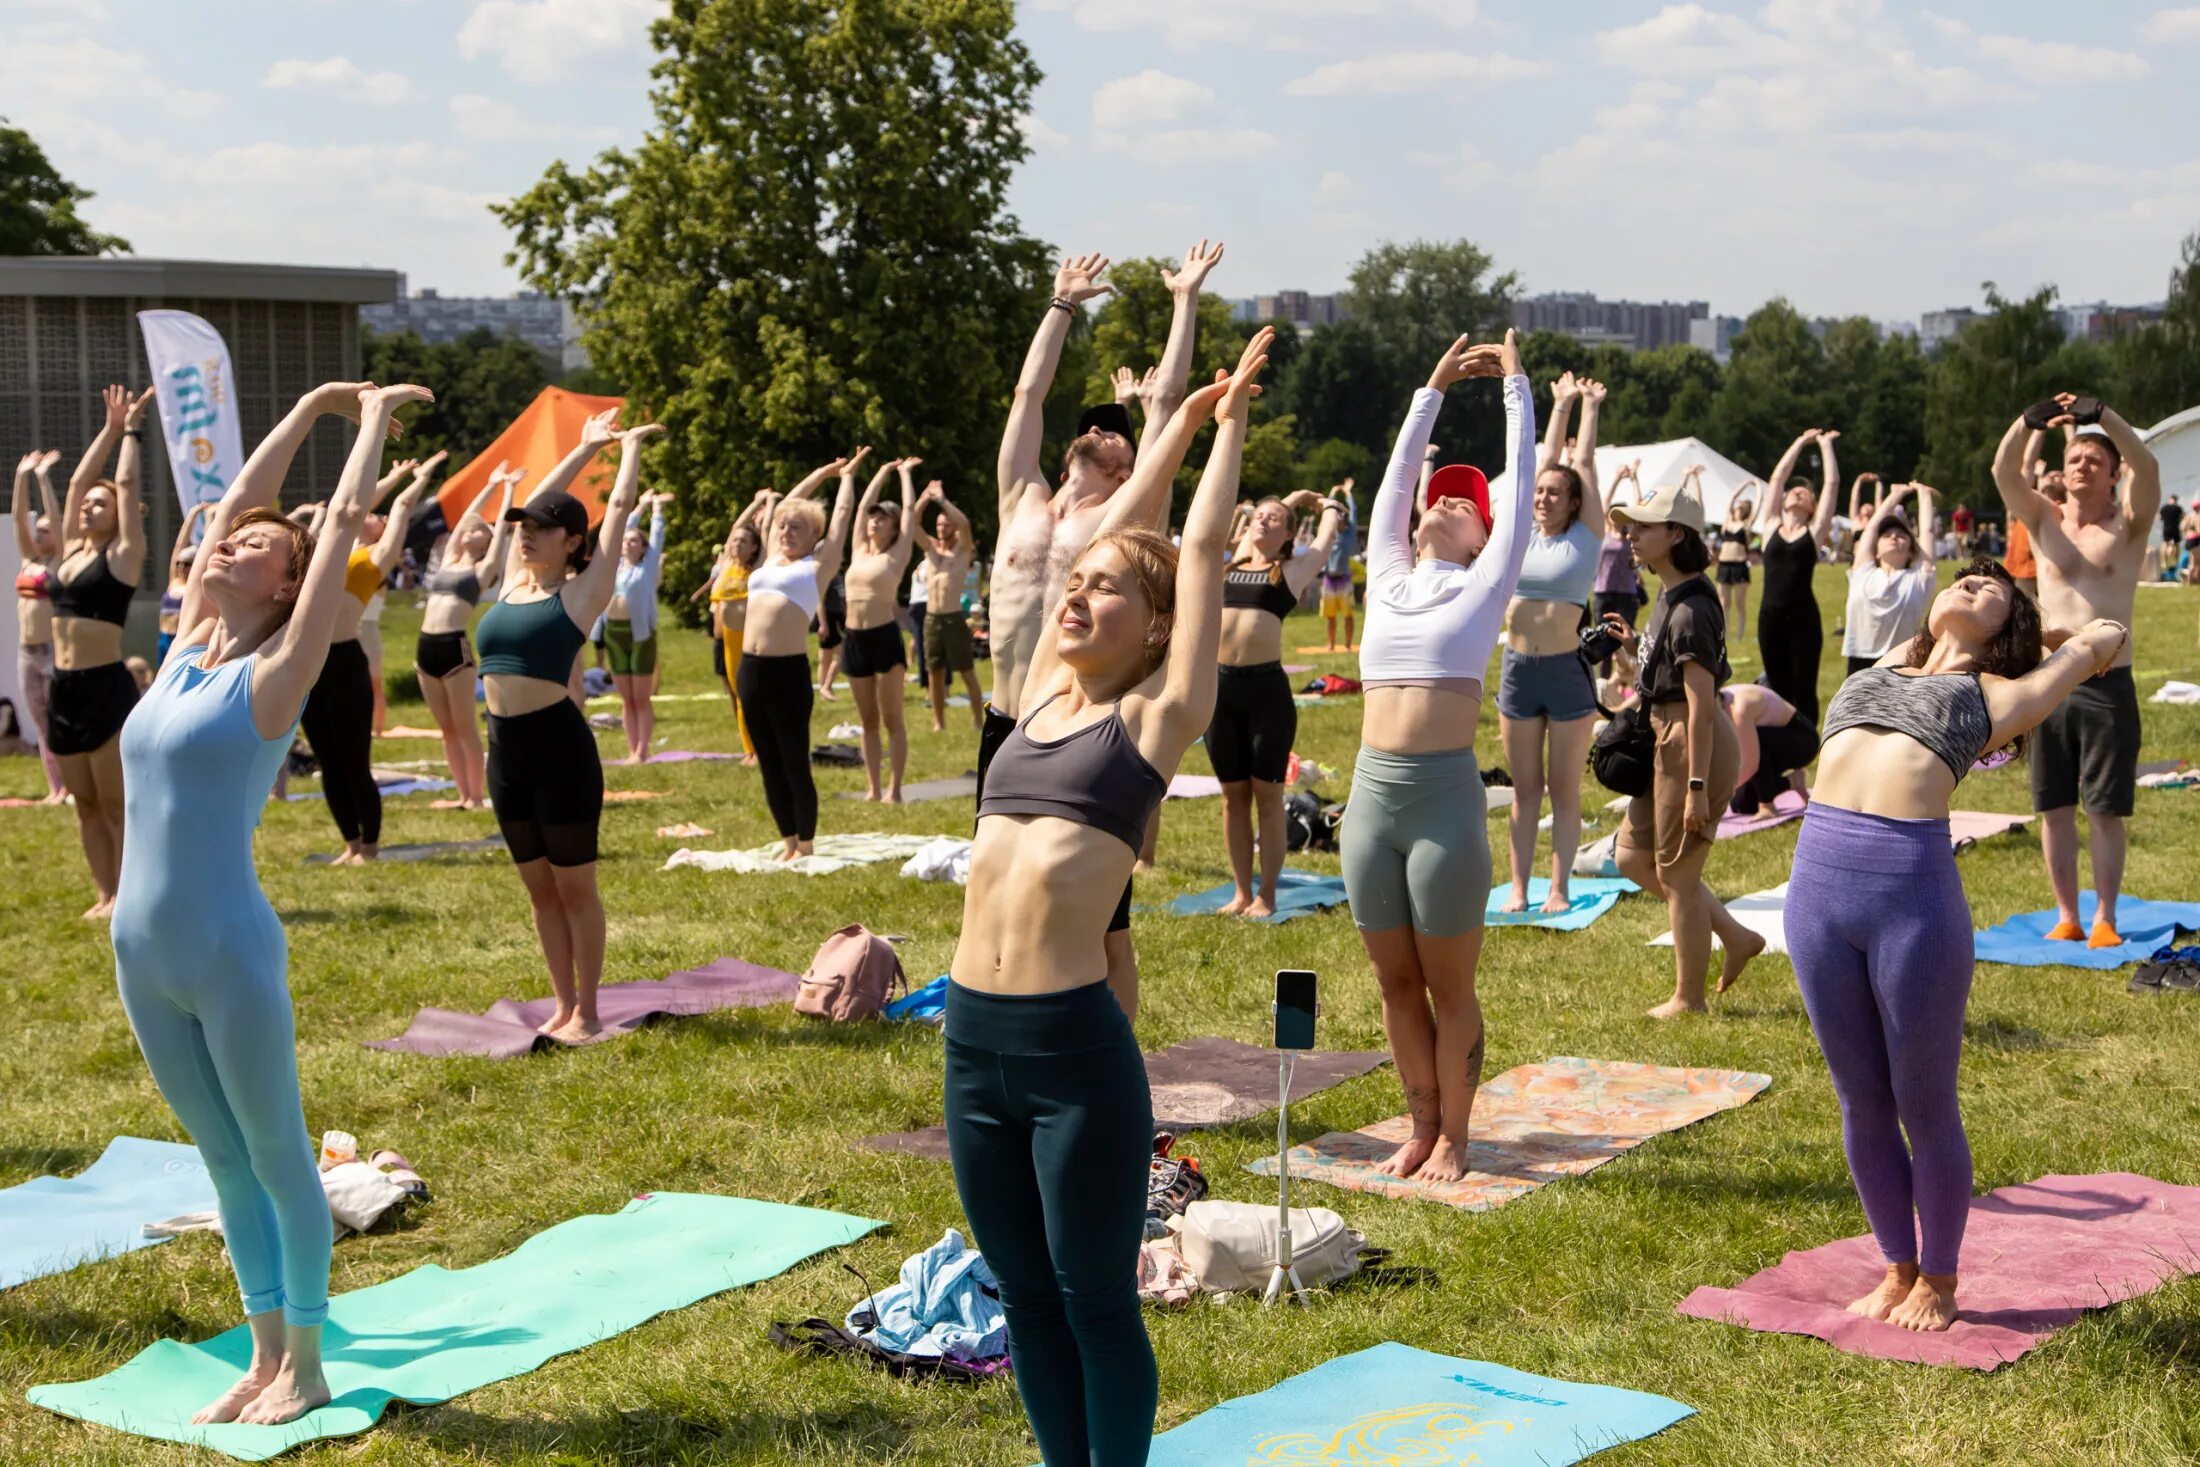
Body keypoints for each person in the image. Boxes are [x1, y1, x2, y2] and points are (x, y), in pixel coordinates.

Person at [947, 328, 1265, 1467]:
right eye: (1073, 587)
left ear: (1155, 626)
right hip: (969, 1041)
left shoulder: (1152, 717)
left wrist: (1220, 430)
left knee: (1092, 1298)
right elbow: (1119, 511)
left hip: (1071, 1051)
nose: (1077, 598)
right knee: (1024, 1295)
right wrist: (1170, 429)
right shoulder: (1036, 688)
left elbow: (1196, 545)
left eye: (1104, 592)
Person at [114, 378, 431, 1426]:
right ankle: (260, 1355)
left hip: (228, 952)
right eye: (226, 544)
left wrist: (372, 418)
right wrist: (301, 411)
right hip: (141, 954)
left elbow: (337, 522)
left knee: (277, 1155)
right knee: (220, 1162)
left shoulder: (278, 671)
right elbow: (227, 503)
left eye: (258, 549)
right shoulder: (182, 650)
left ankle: (308, 1359)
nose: (227, 547)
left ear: (293, 583)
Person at [1789, 556, 2126, 1332]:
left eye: (1990, 588)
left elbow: (2106, 636)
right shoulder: (1883, 662)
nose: (1969, 584)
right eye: (1962, 580)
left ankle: (1938, 1278)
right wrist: (2000, 614)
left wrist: (2042, 634)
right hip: (1817, 890)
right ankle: (1896, 1266)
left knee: (1923, 1098)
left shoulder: (2002, 694)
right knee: (1860, 1097)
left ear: (2011, 629)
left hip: (1910, 900)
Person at [988, 242, 1220, 1015]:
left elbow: (1172, 406)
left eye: (1123, 435)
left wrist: (1183, 301)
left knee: (1106, 927)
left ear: (1131, 470)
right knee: (1010, 896)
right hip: (1007, 723)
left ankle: (1118, 1069)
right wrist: (1060, 306)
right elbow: (1026, 395)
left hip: (1083, 725)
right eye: (1099, 429)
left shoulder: (1115, 529)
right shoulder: (1020, 499)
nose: (1109, 431)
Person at [1338, 330, 1533, 1184]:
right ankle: (1417, 1125)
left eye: (1463, 501)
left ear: (1483, 532)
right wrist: (1432, 388)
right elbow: (1393, 481)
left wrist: (1516, 388)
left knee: (1450, 985)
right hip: (1371, 795)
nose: (1444, 501)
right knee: (1393, 980)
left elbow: (1521, 491)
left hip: (1445, 797)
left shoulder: (1486, 580)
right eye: (1439, 495)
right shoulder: (1385, 570)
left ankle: (1458, 1134)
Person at [477, 409, 660, 1040]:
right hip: (504, 753)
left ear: (573, 542)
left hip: (559, 751)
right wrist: (583, 447)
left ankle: (588, 1009)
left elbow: (620, 510)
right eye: (524, 527)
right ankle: (559, 1005)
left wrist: (628, 449)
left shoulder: (583, 593)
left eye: (543, 528)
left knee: (575, 889)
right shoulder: (510, 584)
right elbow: (530, 501)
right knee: (539, 892)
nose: (526, 534)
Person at [1992, 393, 2160, 947]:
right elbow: (2002, 470)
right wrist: (2027, 421)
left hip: (2109, 684)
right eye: (2075, 459)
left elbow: (2150, 464)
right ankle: (2068, 915)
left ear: (2114, 475)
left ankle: (2106, 918)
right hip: (2050, 681)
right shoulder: (2044, 519)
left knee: (2105, 810)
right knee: (2053, 806)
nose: (2081, 464)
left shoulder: (2130, 525)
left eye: (2094, 460)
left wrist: (2103, 415)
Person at [1602, 468, 1766, 1019]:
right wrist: (1632, 654)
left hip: (1690, 741)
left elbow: (1700, 702)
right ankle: (1735, 936)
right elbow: (1665, 678)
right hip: (1664, 733)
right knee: (1631, 856)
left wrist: (1696, 785)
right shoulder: (1672, 595)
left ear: (1676, 534)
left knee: (1676, 873)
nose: (1631, 534)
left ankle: (1688, 998)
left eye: (1644, 526)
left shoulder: (1693, 607)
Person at [1494, 372, 1609, 916]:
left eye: (1553, 493)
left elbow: (1581, 466)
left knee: (1563, 789)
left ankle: (1559, 888)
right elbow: (1538, 468)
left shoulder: (1585, 538)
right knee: (1524, 790)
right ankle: (1519, 886)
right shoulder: (1522, 531)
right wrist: (1557, 406)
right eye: (1540, 492)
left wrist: (1586, 408)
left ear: (1573, 503)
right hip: (1518, 668)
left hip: (1566, 671)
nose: (1542, 497)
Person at [1212, 488, 1345, 916]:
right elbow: (1259, 525)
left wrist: (1323, 504)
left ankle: (1266, 894)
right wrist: (1288, 499)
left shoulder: (1289, 569)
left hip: (1265, 691)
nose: (1262, 521)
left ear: (1288, 534)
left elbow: (1323, 541)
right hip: (1221, 689)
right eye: (1259, 516)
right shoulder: (1234, 562)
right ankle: (1240, 892)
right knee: (1232, 797)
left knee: (1267, 797)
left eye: (1275, 519)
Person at [51, 384, 156, 918]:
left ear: (120, 517)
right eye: (88, 504)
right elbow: (74, 482)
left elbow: (126, 480)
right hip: (62, 688)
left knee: (115, 803)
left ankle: (128, 895)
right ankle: (104, 894)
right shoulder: (70, 550)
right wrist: (108, 429)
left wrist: (132, 433)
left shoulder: (123, 557)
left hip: (104, 686)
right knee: (85, 803)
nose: (90, 507)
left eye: (101, 503)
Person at [299, 457, 431, 865]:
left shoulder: (373, 559)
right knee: (328, 760)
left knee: (355, 760)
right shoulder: (322, 548)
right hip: (309, 665)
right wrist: (391, 476)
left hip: (344, 660)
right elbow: (351, 507)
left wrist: (418, 480)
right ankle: (350, 844)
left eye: (379, 516)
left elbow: (402, 511)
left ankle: (370, 847)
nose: (373, 516)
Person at [740, 452, 862, 859]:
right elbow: (790, 502)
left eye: (797, 527)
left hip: (786, 673)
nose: (786, 530)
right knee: (768, 762)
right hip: (750, 670)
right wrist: (820, 471)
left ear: (814, 534)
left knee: (793, 761)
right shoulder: (771, 558)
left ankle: (806, 844)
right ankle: (788, 840)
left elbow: (842, 515)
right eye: (782, 526)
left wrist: (844, 478)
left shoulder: (816, 565)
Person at [417, 464, 518, 810]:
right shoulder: (448, 561)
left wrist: (508, 493)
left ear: (487, 541)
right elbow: (464, 520)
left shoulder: (482, 570)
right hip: (425, 646)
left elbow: (503, 526)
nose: (471, 531)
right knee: (445, 728)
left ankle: (476, 796)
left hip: (453, 647)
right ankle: (462, 794)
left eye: (480, 531)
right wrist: (490, 485)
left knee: (464, 727)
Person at [842, 456, 921, 802]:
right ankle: (873, 788)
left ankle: (894, 789)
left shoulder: (897, 555)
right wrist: (880, 471)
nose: (874, 521)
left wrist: (904, 475)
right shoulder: (859, 550)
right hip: (854, 639)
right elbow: (860, 509)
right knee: (868, 720)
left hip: (884, 638)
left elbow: (909, 512)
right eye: (873, 517)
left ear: (892, 528)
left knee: (892, 718)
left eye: (881, 518)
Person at [1754, 428, 1841, 728]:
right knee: (1777, 686)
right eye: (1795, 490)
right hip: (1770, 617)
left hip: (1804, 619)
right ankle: (1781, 741)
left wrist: (1825, 445)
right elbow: (1777, 479)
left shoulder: (1814, 533)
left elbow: (1832, 483)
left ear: (1812, 507)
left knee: (1804, 686)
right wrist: (1800, 442)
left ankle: (1805, 745)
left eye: (1806, 493)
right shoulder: (1769, 526)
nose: (1797, 491)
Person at [594, 486, 673, 766]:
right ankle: (632, 750)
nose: (628, 544)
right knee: (625, 699)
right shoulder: (615, 566)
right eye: (626, 541)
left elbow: (657, 536)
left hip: (639, 634)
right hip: (614, 633)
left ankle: (643, 750)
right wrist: (638, 506)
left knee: (641, 698)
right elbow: (621, 528)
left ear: (642, 548)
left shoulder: (647, 566)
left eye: (634, 542)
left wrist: (656, 509)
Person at [11, 449, 67, 803]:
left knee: (60, 720)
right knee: (41, 724)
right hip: (27, 652)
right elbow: (19, 519)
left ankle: (71, 785)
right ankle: (55, 788)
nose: (41, 534)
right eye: (39, 530)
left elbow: (59, 523)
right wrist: (21, 476)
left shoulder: (57, 563)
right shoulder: (28, 560)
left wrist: (44, 478)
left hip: (52, 650)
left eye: (46, 531)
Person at [1841, 482, 1938, 678]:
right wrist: (1896, 495)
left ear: (1911, 549)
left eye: (1902, 535)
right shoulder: (1863, 572)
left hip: (1901, 662)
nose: (1894, 537)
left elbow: (1927, 532)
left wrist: (1923, 494)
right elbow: (1871, 529)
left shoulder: (1919, 579)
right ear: (1875, 550)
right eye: (1887, 535)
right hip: (1859, 659)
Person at [911, 481, 983, 733]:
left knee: (966, 671)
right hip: (931, 618)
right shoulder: (930, 549)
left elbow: (965, 525)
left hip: (953, 617)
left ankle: (977, 718)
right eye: (939, 524)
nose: (942, 527)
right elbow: (911, 524)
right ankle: (938, 721)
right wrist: (923, 499)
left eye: (946, 524)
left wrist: (941, 500)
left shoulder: (962, 551)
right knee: (934, 672)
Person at [705, 498, 767, 764]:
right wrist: (755, 502)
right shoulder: (727, 565)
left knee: (754, 695)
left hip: (750, 638)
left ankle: (762, 749)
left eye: (744, 541)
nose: (737, 544)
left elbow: (765, 537)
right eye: (735, 541)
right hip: (727, 639)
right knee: (739, 695)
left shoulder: (757, 568)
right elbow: (738, 525)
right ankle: (749, 750)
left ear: (754, 548)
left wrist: (771, 506)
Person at [1724, 680, 1819, 815]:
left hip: (1804, 741)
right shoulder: (1718, 706)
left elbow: (1750, 764)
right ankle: (1793, 781)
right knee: (1742, 804)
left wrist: (1717, 796)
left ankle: (1767, 806)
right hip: (1774, 744)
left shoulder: (1739, 708)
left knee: (1753, 741)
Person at [1591, 459, 1647, 675]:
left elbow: (1640, 503)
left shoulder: (1630, 532)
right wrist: (1616, 478)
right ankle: (1605, 681)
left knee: (1625, 638)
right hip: (1603, 591)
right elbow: (1604, 502)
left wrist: (1634, 479)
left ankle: (1628, 679)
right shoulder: (1605, 530)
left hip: (1626, 592)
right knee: (1603, 638)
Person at [157, 502, 212, 667]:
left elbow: (207, 550)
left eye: (187, 564)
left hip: (183, 641)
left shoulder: (196, 586)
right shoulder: (174, 582)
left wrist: (209, 519)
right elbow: (179, 546)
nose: (181, 567)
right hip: (164, 639)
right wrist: (192, 516)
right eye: (179, 563)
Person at [1319, 479, 1359, 651]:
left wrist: (1348, 493)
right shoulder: (1330, 534)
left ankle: (1348, 644)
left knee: (1348, 614)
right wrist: (1333, 493)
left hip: (1344, 578)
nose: (1336, 520)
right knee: (1330, 615)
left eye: (1339, 518)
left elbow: (1354, 512)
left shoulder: (1349, 534)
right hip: (1329, 579)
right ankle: (1331, 644)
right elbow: (1327, 511)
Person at [1714, 491, 1755, 640]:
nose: (1739, 507)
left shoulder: (1746, 525)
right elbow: (1730, 500)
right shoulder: (1727, 523)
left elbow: (1757, 507)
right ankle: (1723, 634)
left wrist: (1755, 486)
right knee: (1723, 602)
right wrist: (1742, 488)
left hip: (1739, 566)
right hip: (1724, 565)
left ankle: (1739, 636)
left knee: (1739, 602)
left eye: (1743, 506)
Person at [2158, 494, 2183, 580]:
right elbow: (2182, 517)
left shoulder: (2164, 507)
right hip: (2175, 528)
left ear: (2170, 499)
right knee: (2176, 545)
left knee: (2165, 544)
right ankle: (2176, 561)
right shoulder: (2178, 508)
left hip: (2166, 528)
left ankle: (2164, 561)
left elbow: (2160, 517)